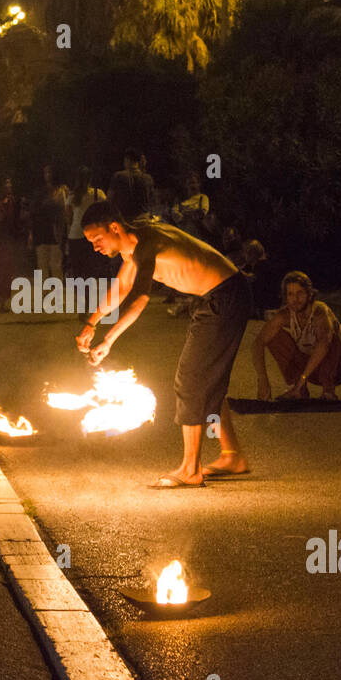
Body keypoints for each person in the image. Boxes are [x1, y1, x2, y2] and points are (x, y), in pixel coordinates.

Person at [77, 201, 252, 488]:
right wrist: (92, 322)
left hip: (225, 296)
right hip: (219, 296)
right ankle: (232, 455)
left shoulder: (147, 244)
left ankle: (190, 469)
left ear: (114, 228)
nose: (95, 247)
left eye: (97, 239)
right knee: (206, 378)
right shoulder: (134, 242)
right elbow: (122, 288)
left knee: (191, 379)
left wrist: (108, 340)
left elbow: (139, 300)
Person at [252, 271, 341, 401]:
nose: (295, 299)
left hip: (340, 368)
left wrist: (303, 378)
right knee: (274, 336)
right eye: (290, 294)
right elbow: (258, 342)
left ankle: (328, 390)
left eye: (300, 293)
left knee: (329, 337)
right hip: (311, 371)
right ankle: (299, 390)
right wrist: (263, 380)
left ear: (309, 294)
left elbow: (324, 344)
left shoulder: (319, 311)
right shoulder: (285, 314)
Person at [65, 168, 106, 279]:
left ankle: (80, 294)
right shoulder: (98, 194)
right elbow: (105, 211)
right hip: (93, 235)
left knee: (77, 269)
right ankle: (89, 294)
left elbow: (68, 218)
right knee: (91, 268)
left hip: (75, 234)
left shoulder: (72, 196)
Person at [0, 176, 24, 312]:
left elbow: (17, 221)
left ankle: (4, 300)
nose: (9, 186)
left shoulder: (14, 202)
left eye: (10, 184)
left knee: (6, 272)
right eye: (6, 184)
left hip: (9, 240)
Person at [30, 175, 67, 281]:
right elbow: (33, 215)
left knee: (55, 265)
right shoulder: (39, 195)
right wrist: (31, 233)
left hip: (54, 234)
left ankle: (56, 291)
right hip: (42, 233)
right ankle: (45, 292)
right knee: (43, 265)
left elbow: (63, 213)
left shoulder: (60, 193)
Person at [108, 147, 153, 222]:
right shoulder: (148, 178)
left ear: (127, 159)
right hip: (143, 220)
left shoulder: (118, 176)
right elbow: (151, 201)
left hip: (124, 220)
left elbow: (110, 198)